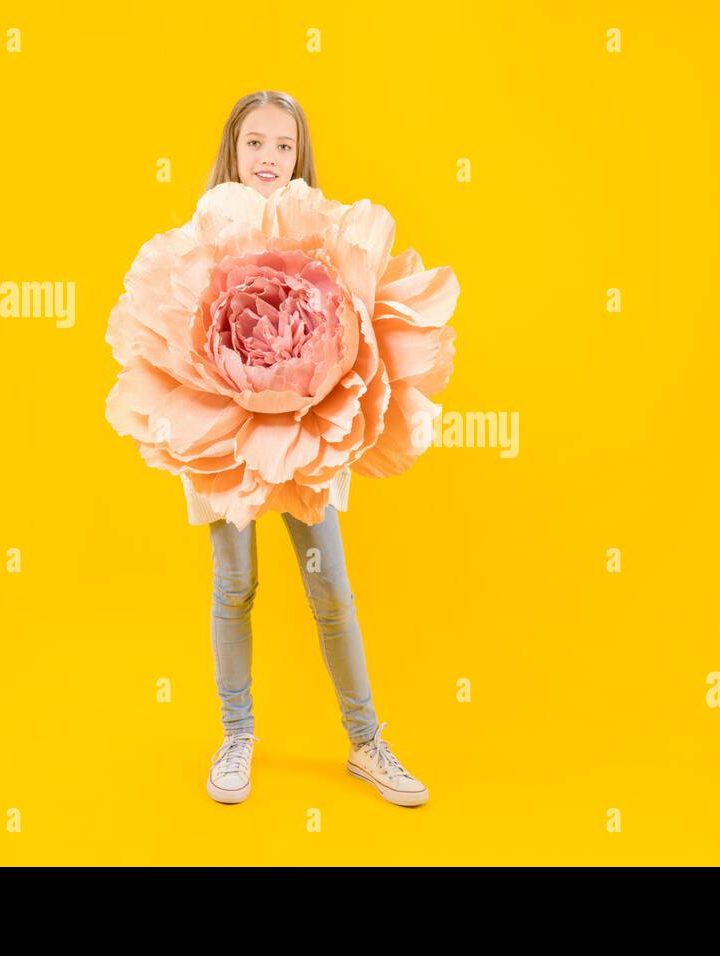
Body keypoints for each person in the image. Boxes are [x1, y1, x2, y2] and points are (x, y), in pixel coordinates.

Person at [192, 90, 428, 808]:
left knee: (330, 590)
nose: (269, 158)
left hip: (306, 430)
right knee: (235, 585)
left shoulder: (323, 228)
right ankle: (237, 737)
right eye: (255, 143)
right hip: (222, 431)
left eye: (284, 146)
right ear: (233, 149)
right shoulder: (199, 229)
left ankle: (365, 743)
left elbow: (355, 316)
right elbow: (177, 327)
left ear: (301, 155)